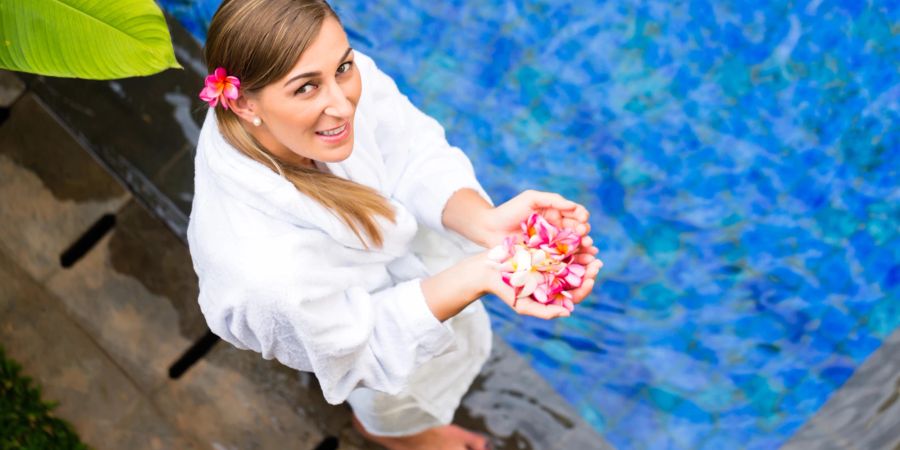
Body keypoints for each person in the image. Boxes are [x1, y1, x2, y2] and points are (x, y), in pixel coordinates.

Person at [186, 1, 603, 448]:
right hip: (361, 348)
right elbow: (356, 353)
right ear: (244, 102)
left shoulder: (325, 77)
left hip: (413, 275)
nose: (344, 106)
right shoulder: (261, 273)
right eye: (306, 88)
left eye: (344, 66)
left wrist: (484, 223)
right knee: (392, 403)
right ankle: (404, 437)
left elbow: (409, 149)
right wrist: (477, 274)